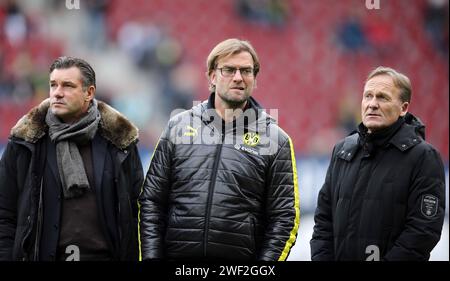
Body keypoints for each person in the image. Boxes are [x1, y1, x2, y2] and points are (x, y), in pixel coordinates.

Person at [139, 38, 299, 261]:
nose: (238, 77)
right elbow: (152, 202)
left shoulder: (277, 140)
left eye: (246, 71)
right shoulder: (178, 126)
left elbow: (284, 218)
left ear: (254, 79)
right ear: (212, 77)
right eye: (229, 70)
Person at [0, 56, 144, 261]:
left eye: (67, 86)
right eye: (53, 85)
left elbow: (136, 210)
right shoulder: (25, 141)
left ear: (89, 92)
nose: (57, 93)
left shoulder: (120, 141)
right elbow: (4, 212)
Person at [310, 66, 446, 261]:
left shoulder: (424, 158)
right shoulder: (342, 150)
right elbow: (323, 220)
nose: (372, 104)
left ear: (404, 108)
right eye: (368, 96)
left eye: (382, 97)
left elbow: (423, 231)